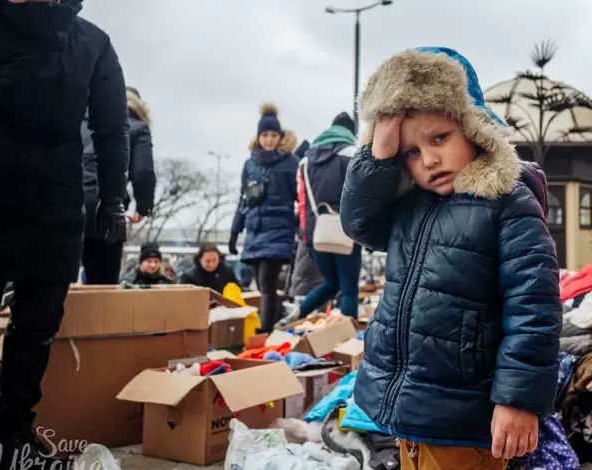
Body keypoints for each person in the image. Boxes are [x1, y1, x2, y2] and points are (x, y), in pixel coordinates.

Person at [340, 47, 562, 470]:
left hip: (467, 415)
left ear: (475, 130)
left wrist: (518, 399)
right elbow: (358, 223)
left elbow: (533, 307)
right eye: (410, 151)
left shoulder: (508, 202)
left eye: (439, 138)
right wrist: (378, 153)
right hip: (411, 410)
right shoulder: (410, 204)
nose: (428, 160)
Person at [0, 0, 129, 467]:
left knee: (38, 326)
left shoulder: (92, 41)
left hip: (57, 199)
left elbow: (111, 128)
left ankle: (10, 439)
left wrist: (112, 198)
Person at [229, 104, 299, 332]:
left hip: (279, 228)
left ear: (280, 137)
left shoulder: (290, 163)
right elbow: (243, 199)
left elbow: (300, 197)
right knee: (260, 284)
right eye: (265, 135)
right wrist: (234, 231)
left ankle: (265, 331)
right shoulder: (250, 164)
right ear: (258, 137)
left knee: (268, 282)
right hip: (255, 229)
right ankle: (277, 323)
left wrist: (300, 226)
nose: (269, 139)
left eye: (274, 135)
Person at [81, 86, 156, 285]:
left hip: (64, 205)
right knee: (102, 288)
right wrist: (143, 207)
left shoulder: (79, 121)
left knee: (56, 288)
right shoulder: (138, 128)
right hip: (105, 211)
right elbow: (143, 173)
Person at [296, 112, 362, 318]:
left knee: (331, 283)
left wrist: (306, 234)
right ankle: (347, 339)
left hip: (317, 233)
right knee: (349, 288)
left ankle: (295, 316)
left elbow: (302, 202)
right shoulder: (353, 154)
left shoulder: (306, 162)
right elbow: (361, 195)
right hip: (347, 230)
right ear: (351, 131)